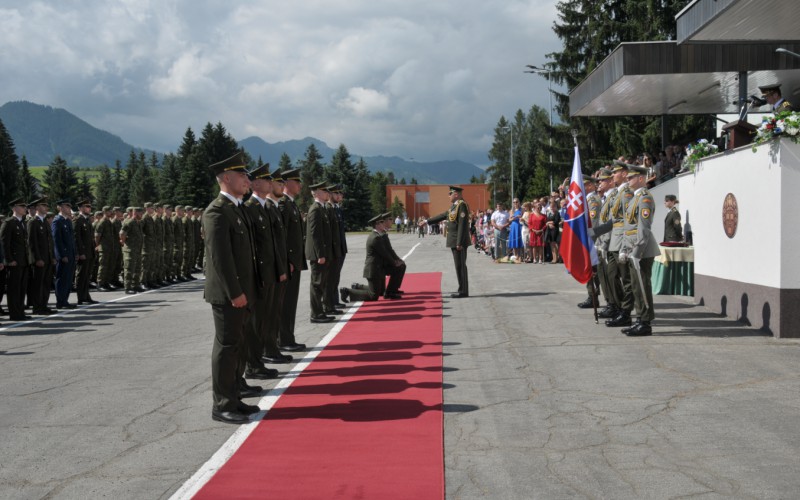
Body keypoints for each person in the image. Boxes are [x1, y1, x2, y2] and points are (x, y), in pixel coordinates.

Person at [203, 152, 261, 424]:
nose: (247, 179)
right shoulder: (216, 212)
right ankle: (222, 404)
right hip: (229, 295)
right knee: (226, 347)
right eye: (242, 175)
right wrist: (235, 292)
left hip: (242, 292)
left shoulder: (236, 209)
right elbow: (221, 259)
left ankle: (234, 397)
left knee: (237, 346)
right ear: (227, 178)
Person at [242, 165, 285, 379]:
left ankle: (258, 362)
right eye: (266, 180)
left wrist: (279, 268)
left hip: (269, 273)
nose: (271, 183)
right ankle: (253, 364)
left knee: (265, 319)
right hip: (259, 275)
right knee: (256, 322)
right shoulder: (250, 208)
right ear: (256, 184)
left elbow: (273, 245)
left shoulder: (264, 208)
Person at [620, 165, 661, 336]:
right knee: (636, 287)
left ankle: (645, 323)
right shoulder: (634, 199)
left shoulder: (645, 198)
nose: (628, 180)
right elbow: (628, 227)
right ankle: (639, 319)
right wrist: (624, 249)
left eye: (631, 177)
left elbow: (643, 229)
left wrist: (636, 253)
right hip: (632, 249)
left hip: (641, 250)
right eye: (628, 177)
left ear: (641, 179)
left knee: (642, 286)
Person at [340, 213, 405, 302]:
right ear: (377, 225)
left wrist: (395, 262)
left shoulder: (377, 236)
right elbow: (385, 253)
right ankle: (347, 292)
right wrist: (395, 263)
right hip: (373, 270)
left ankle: (358, 287)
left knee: (379, 291)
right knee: (373, 296)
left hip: (377, 269)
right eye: (382, 222)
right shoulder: (375, 238)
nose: (384, 224)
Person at [277, 168, 308, 351]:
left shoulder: (291, 204)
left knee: (290, 302)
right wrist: (287, 260)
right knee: (285, 303)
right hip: (289, 263)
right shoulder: (283, 205)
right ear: (286, 183)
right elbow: (282, 236)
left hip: (294, 262)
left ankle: (288, 337)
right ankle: (283, 339)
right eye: (296, 182)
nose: (300, 185)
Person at [422, 185, 470, 298]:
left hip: (459, 242)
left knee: (461, 266)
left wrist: (459, 242)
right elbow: (443, 215)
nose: (449, 195)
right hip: (454, 240)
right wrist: (427, 221)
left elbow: (462, 226)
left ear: (456, 194)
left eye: (450, 193)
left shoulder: (461, 205)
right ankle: (461, 289)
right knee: (458, 265)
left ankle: (463, 291)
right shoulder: (454, 207)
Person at [305, 181, 334, 323]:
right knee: (317, 284)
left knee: (321, 283)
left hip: (324, 252)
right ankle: (315, 314)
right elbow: (315, 234)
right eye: (324, 191)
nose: (327, 193)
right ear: (316, 193)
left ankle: (320, 311)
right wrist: (320, 254)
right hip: (319, 255)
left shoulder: (321, 208)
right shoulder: (315, 209)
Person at [2, 199, 32, 321]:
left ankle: (20, 312)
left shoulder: (22, 223)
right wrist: (9, 259)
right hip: (14, 261)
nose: (25, 208)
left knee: (21, 288)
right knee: (14, 288)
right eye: (22, 206)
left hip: (23, 260)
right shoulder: (9, 223)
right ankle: (14, 313)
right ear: (14, 208)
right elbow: (4, 243)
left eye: (25, 206)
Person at [26, 197, 55, 315]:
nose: (46, 207)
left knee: (46, 283)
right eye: (43, 205)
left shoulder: (44, 222)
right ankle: (37, 307)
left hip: (47, 259)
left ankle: (44, 305)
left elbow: (49, 242)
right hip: (40, 259)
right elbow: (32, 243)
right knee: (38, 284)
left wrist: (52, 257)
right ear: (37, 207)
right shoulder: (33, 222)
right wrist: (37, 258)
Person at [52, 199, 77, 310]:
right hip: (64, 256)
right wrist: (62, 255)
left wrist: (75, 253)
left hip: (70, 254)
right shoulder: (57, 221)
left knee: (68, 279)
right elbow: (57, 240)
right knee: (61, 278)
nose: (69, 208)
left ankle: (65, 300)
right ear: (60, 207)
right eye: (66, 206)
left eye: (69, 206)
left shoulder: (67, 221)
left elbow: (72, 240)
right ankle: (60, 301)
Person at [73, 199, 97, 305]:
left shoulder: (87, 220)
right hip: (83, 253)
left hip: (90, 252)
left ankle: (86, 296)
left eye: (89, 206)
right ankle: (80, 297)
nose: (89, 208)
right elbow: (76, 238)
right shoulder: (77, 220)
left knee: (87, 275)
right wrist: (79, 252)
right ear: (81, 208)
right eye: (87, 206)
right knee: (81, 275)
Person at [120, 207, 144, 294]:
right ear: (135, 213)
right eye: (140, 213)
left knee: (137, 268)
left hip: (137, 249)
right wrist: (123, 242)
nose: (142, 215)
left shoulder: (139, 223)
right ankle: (128, 287)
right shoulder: (129, 222)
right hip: (130, 250)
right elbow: (122, 233)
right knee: (129, 269)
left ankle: (136, 285)